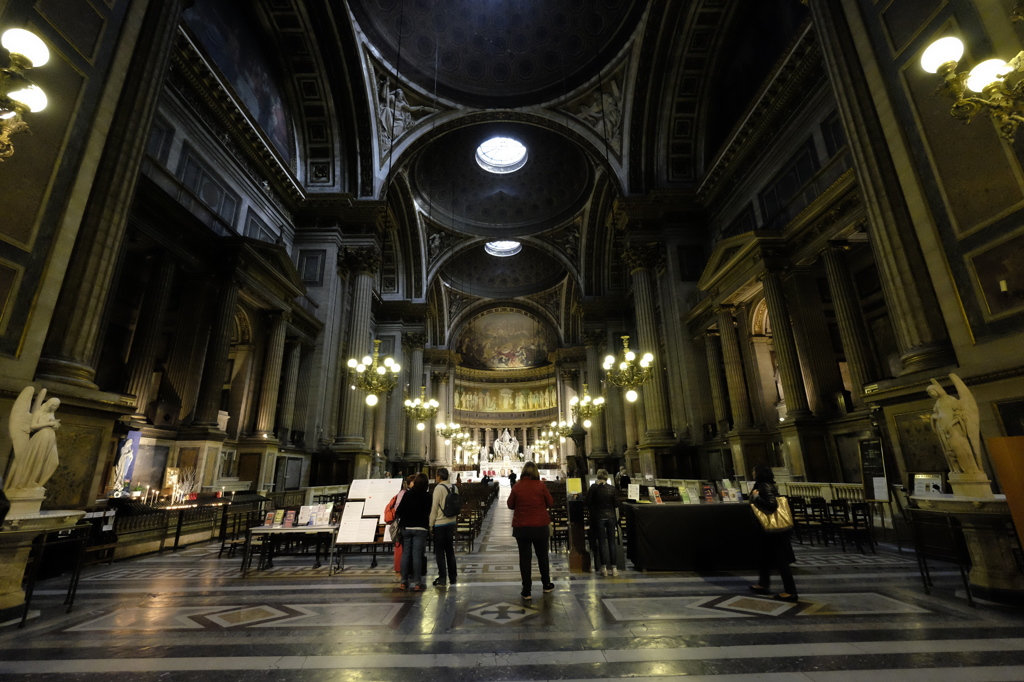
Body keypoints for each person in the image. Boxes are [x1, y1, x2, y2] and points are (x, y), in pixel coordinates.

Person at [748, 464, 798, 603]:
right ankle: (763, 584)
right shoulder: (764, 485)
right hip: (767, 530)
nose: (752, 472)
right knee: (764, 557)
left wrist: (756, 497)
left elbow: (772, 505)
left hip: (774, 531)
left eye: (754, 470)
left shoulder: (764, 486)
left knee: (781, 561)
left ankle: (790, 592)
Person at [507, 461, 554, 600]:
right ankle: (546, 584)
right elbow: (550, 502)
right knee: (542, 556)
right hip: (540, 526)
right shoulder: (540, 485)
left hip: (522, 527)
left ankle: (526, 590)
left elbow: (510, 505)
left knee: (525, 558)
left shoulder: (517, 486)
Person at [585, 469, 619, 576]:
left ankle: (604, 568)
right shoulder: (612, 488)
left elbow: (587, 502)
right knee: (612, 542)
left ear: (597, 477)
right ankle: (614, 568)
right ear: (607, 477)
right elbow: (616, 504)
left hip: (599, 517)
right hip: (611, 517)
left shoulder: (594, 488)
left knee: (602, 542)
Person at [429, 467, 458, 587]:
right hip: (451, 522)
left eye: (436, 476)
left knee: (440, 552)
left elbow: (434, 508)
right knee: (450, 550)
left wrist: (431, 524)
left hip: (440, 523)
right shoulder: (454, 487)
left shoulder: (438, 488)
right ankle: (453, 577)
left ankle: (442, 578)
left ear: (439, 477)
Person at [387, 475, 416, 580]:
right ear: (409, 483)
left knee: (408, 549)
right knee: (399, 549)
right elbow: (397, 509)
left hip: (409, 524)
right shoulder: (403, 493)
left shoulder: (412, 493)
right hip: (401, 525)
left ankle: (408, 572)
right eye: (413, 482)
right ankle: (398, 573)